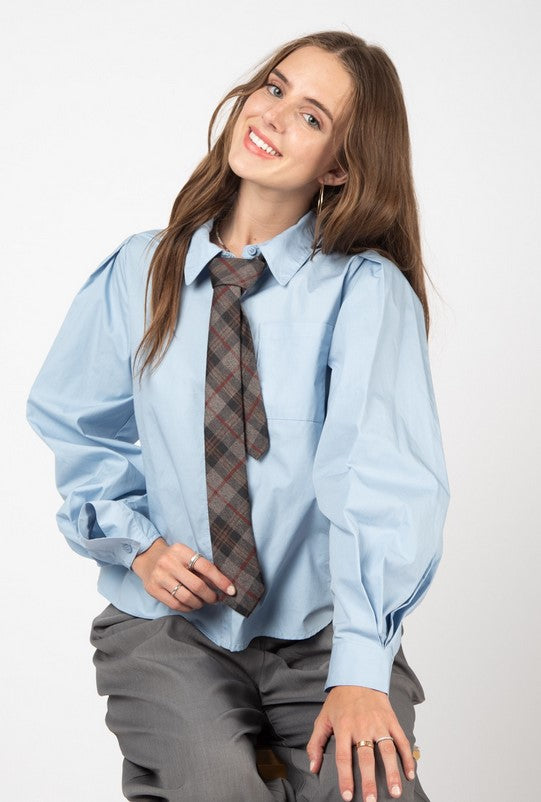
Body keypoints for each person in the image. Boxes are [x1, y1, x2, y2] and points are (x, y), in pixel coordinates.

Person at [25, 29, 450, 802]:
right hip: (167, 629)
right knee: (219, 786)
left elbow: (379, 481)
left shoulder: (362, 292)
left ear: (341, 168)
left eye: (312, 117)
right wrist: (140, 546)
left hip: (321, 635)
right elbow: (79, 426)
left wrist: (361, 670)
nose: (274, 115)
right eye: (275, 87)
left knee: (370, 790)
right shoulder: (138, 271)